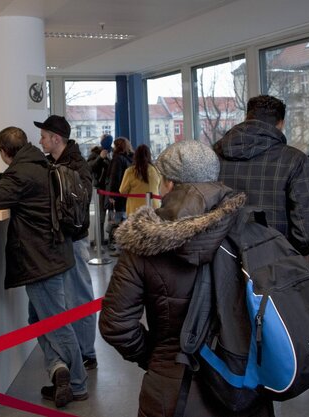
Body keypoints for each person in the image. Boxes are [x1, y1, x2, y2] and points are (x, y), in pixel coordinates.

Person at [100, 140, 273, 417]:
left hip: (173, 388)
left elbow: (116, 325)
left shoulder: (143, 243)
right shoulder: (251, 227)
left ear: (169, 184)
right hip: (245, 380)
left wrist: (156, 358)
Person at [0, 126, 87, 408]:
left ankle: (78, 383)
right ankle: (60, 370)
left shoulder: (22, 173)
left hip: (40, 259)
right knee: (40, 318)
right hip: (54, 253)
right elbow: (12, 185)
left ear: (4, 152)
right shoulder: (37, 164)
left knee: (55, 323)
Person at [213, 94, 309, 256]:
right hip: (276, 266)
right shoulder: (295, 160)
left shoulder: (214, 156)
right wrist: (285, 252)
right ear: (281, 124)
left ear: (247, 118)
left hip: (221, 263)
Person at [35, 114, 98, 371]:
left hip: (73, 241)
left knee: (79, 296)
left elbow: (77, 208)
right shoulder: (52, 163)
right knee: (68, 297)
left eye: (43, 137)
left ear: (56, 138)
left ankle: (87, 353)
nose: (40, 141)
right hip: (62, 241)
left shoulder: (77, 168)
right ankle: (78, 350)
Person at [119, 144, 161, 216]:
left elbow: (122, 191)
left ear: (136, 156)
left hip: (136, 209)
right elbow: (159, 187)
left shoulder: (131, 171)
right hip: (154, 207)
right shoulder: (156, 170)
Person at [107, 137, 134, 250]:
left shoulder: (118, 159)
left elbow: (115, 177)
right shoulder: (131, 159)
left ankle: (118, 247)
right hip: (128, 196)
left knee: (117, 222)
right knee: (125, 220)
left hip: (118, 195)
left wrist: (112, 195)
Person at [89, 134, 114, 246]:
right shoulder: (95, 153)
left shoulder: (114, 153)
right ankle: (98, 241)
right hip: (100, 188)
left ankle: (111, 242)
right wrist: (100, 158)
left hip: (112, 189)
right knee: (100, 217)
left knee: (112, 217)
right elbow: (90, 167)